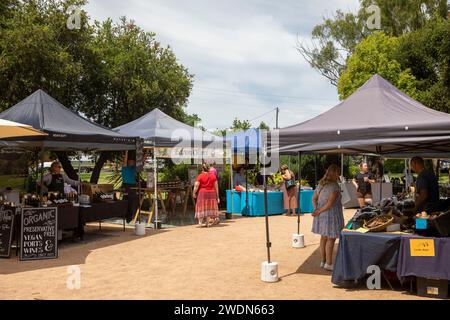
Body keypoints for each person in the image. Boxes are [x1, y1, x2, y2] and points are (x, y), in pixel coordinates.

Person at [312, 164, 344, 272]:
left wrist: (317, 210)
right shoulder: (334, 186)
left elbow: (314, 199)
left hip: (321, 214)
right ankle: (329, 263)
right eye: (338, 172)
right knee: (330, 239)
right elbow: (330, 204)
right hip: (331, 215)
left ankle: (323, 261)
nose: (339, 174)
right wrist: (319, 211)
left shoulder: (321, 184)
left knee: (323, 238)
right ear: (334, 173)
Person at [193, 163, 220, 227]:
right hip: (211, 193)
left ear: (202, 168)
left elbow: (196, 185)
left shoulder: (200, 176)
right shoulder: (213, 176)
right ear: (209, 168)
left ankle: (200, 222)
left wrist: (194, 192)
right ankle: (207, 223)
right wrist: (217, 197)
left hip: (203, 193)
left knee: (201, 207)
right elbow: (216, 187)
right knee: (209, 207)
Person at [122, 151, 138, 223]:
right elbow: (125, 161)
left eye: (133, 162)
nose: (133, 162)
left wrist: (147, 153)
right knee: (126, 201)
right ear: (128, 162)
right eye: (132, 161)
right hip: (127, 186)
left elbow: (142, 162)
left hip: (133, 186)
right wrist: (127, 152)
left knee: (133, 201)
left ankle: (131, 216)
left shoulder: (133, 169)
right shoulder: (125, 168)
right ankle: (126, 216)